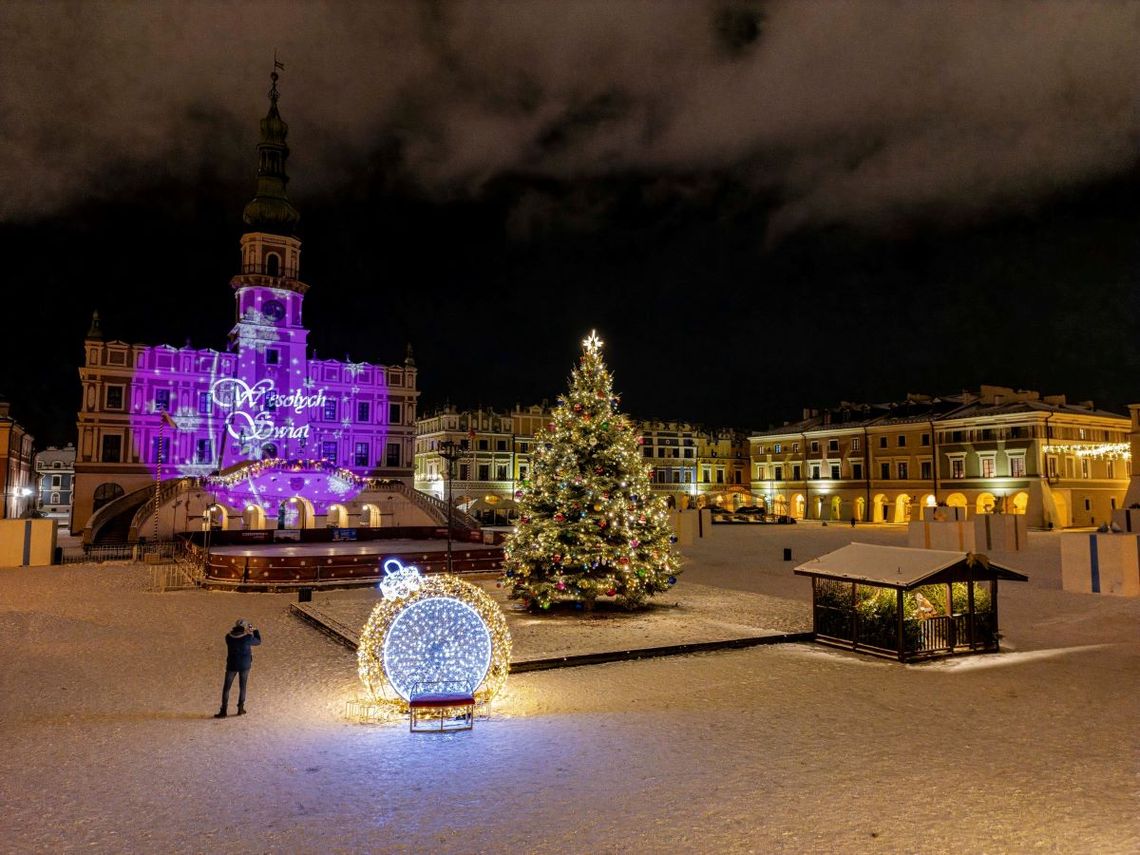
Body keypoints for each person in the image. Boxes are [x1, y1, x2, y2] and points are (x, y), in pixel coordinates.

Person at [214, 618, 261, 718]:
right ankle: (240, 708)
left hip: (232, 665)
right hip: (245, 665)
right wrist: (254, 630)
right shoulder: (247, 638)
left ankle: (223, 711)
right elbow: (258, 641)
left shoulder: (228, 637)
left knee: (227, 688)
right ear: (244, 627)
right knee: (242, 687)